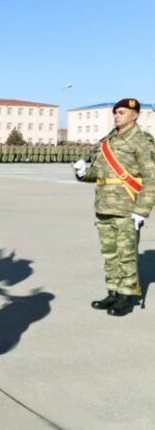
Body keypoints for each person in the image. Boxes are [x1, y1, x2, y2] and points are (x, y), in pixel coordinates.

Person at [73, 98, 155, 316]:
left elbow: (151, 177)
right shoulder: (107, 141)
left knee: (126, 254)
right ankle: (113, 292)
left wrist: (142, 209)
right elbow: (99, 173)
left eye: (122, 112)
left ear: (135, 115)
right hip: (104, 205)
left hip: (128, 207)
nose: (117, 116)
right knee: (110, 254)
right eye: (116, 112)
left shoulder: (142, 141)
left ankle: (127, 297)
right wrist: (83, 173)